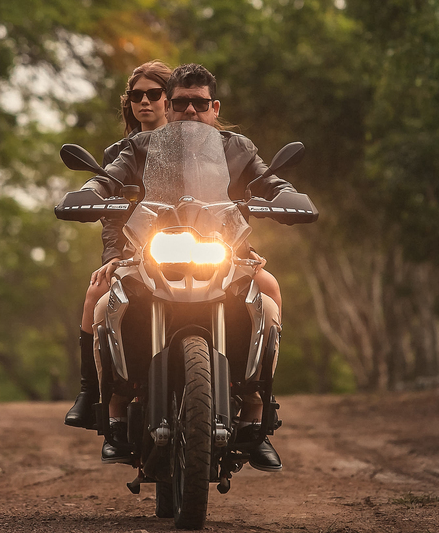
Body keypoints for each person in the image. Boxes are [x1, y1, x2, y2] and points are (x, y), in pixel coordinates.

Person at [81, 63, 290, 472]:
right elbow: (109, 178)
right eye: (180, 103)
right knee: (106, 301)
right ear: (170, 107)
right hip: (152, 252)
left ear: (214, 107)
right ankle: (114, 405)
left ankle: (258, 410)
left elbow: (267, 182)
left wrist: (287, 194)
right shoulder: (141, 146)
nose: (190, 111)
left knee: (270, 292)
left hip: (224, 252)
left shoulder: (238, 148)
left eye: (199, 103)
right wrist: (89, 191)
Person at [64, 60, 172, 431]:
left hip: (198, 250)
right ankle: (95, 394)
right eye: (137, 95)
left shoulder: (197, 147)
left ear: (169, 99)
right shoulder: (119, 153)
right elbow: (111, 217)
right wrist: (115, 256)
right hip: (137, 253)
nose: (145, 102)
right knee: (96, 295)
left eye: (154, 94)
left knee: (263, 288)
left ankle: (256, 401)